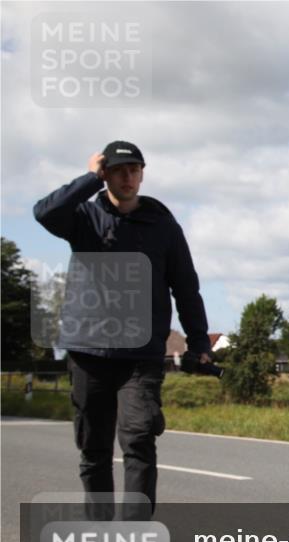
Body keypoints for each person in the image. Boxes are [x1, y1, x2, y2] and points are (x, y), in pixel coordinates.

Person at [34, 140, 212, 518]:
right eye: (118, 170)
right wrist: (88, 178)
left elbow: (186, 287)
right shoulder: (83, 218)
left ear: (143, 173)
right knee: (94, 450)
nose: (128, 177)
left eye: (134, 170)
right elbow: (44, 213)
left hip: (141, 355)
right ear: (105, 175)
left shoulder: (164, 226)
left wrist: (199, 342)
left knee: (139, 440)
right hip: (88, 351)